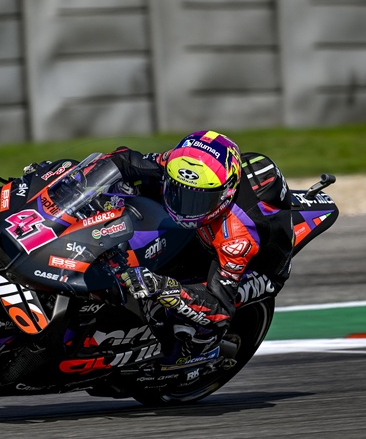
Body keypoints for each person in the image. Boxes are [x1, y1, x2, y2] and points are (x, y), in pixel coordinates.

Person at [104, 130, 295, 363]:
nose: (185, 207)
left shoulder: (238, 237)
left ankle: (197, 352)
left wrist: (165, 288)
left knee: (184, 316)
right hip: (202, 234)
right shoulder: (179, 162)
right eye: (180, 192)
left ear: (226, 194)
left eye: (199, 200)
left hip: (257, 269)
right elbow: (128, 161)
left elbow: (219, 307)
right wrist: (78, 176)